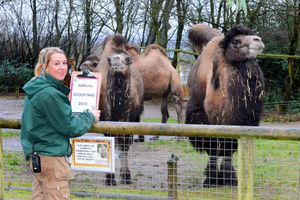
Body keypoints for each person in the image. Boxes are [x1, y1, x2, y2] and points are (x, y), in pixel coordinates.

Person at [21, 47, 101, 200]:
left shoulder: (36, 87)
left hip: (37, 155)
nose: (62, 67)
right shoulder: (50, 94)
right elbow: (70, 126)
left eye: (64, 63)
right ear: (45, 66)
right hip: (52, 158)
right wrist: (89, 116)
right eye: (56, 63)